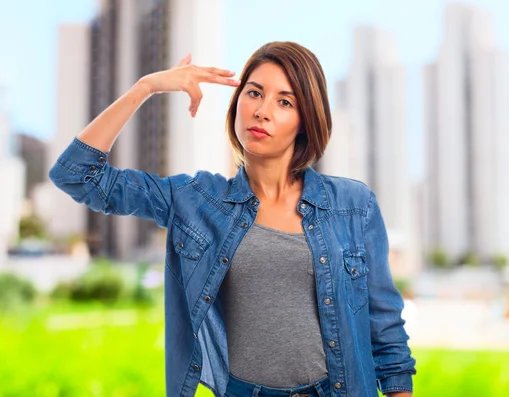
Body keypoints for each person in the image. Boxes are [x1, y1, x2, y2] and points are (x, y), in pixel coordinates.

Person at [49, 41, 416, 397]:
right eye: (254, 93)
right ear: (237, 102)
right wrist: (146, 87)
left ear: (305, 121)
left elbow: (385, 329)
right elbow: (77, 175)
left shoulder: (353, 206)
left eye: (284, 101)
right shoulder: (197, 201)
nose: (263, 111)